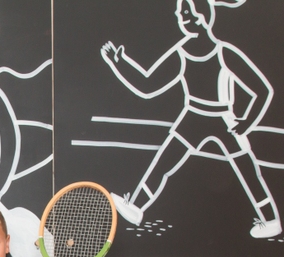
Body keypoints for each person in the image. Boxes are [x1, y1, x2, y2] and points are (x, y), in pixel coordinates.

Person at [101, 0, 280, 238]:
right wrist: (120, 63)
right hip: (193, 116)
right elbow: (148, 85)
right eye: (180, 11)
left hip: (223, 117)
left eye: (185, 10)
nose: (179, 15)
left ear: (200, 15)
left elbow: (261, 91)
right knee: (164, 162)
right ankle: (135, 207)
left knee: (247, 170)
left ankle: (271, 221)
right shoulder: (182, 53)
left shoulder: (223, 53)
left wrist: (247, 122)